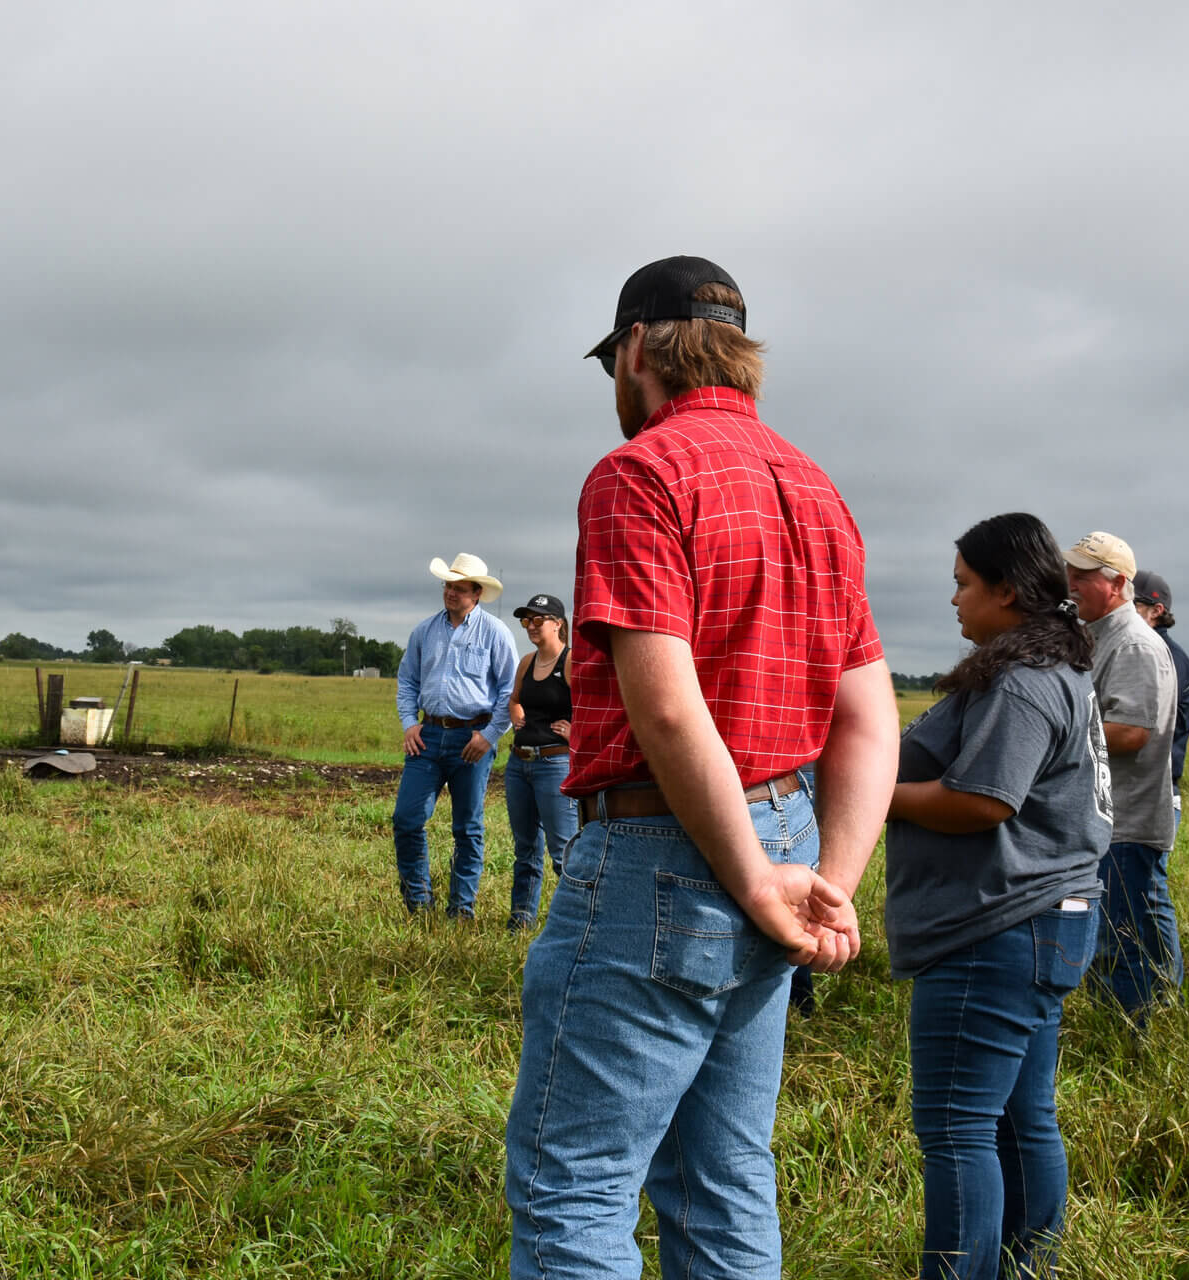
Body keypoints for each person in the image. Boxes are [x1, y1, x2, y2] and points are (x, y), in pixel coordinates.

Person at [503, 256, 899, 1280]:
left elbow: (667, 703)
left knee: (575, 1183)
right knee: (721, 1175)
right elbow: (866, 715)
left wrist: (751, 872)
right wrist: (828, 882)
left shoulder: (641, 473)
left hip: (661, 852)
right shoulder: (816, 487)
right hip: (787, 838)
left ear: (636, 348)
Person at [886, 513, 1109, 1280]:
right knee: (1019, 1119)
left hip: (997, 927)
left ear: (1007, 591)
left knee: (955, 1127)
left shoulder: (1023, 683)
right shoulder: (1049, 668)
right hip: (1040, 922)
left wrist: (883, 794)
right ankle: (1029, 1265)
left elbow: (983, 801)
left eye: (963, 585)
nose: (953, 601)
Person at [1064, 531, 1178, 1020]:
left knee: (1124, 934)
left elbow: (1132, 732)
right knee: (1127, 925)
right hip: (1108, 820)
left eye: (1083, 576)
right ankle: (1140, 1017)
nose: (1070, 584)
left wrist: (1057, 730)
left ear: (1118, 584)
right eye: (1069, 573)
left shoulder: (1132, 644)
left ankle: (1134, 1028)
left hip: (1126, 821)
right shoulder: (1099, 635)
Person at [392, 553, 518, 919]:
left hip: (472, 739)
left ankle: (461, 909)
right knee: (407, 818)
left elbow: (510, 692)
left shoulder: (495, 634)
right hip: (428, 736)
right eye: (448, 585)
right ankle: (418, 902)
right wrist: (408, 722)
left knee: (468, 827)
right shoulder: (424, 632)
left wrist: (490, 735)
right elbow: (408, 682)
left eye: (459, 588)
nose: (450, 592)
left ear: (476, 593)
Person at [504, 592, 577, 930]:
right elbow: (515, 699)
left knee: (562, 851)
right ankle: (521, 920)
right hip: (519, 764)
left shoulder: (571, 662)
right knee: (525, 847)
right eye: (526, 620)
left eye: (538, 620)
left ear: (558, 624)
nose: (531, 626)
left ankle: (569, 924)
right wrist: (516, 715)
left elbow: (595, 710)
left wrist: (575, 732)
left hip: (554, 764)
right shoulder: (527, 661)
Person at [1134, 570, 1189, 820]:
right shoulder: (1137, 649)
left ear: (1156, 610)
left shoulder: (1167, 657)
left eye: (1132, 605)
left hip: (1153, 795)